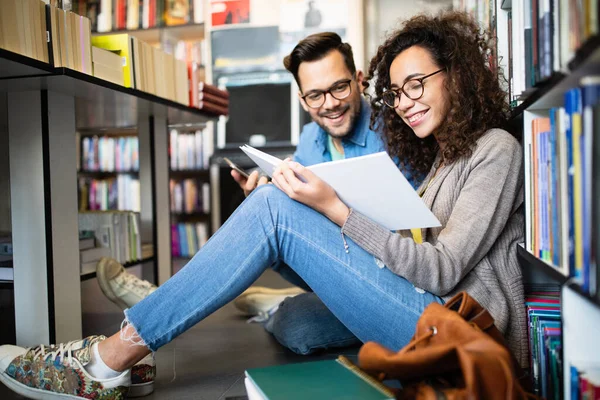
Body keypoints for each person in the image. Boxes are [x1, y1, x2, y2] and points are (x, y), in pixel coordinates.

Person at [0, 11, 528, 399]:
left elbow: (439, 270)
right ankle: (162, 329)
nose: (407, 101)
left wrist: (330, 209)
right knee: (294, 308)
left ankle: (109, 359)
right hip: (413, 304)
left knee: (275, 213)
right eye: (399, 91)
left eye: (418, 84)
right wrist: (295, 213)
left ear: (456, 75)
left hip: (456, 332)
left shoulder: (495, 150)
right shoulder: (443, 156)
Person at [98, 32, 420, 359]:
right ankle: (169, 304)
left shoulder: (398, 132)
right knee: (293, 310)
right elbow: (301, 240)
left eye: (339, 87)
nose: (330, 103)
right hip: (331, 275)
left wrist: (297, 212)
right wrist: (272, 209)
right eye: (315, 95)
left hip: (388, 277)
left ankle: (161, 309)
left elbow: (410, 245)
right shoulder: (310, 138)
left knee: (295, 324)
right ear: (301, 99)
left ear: (359, 80)